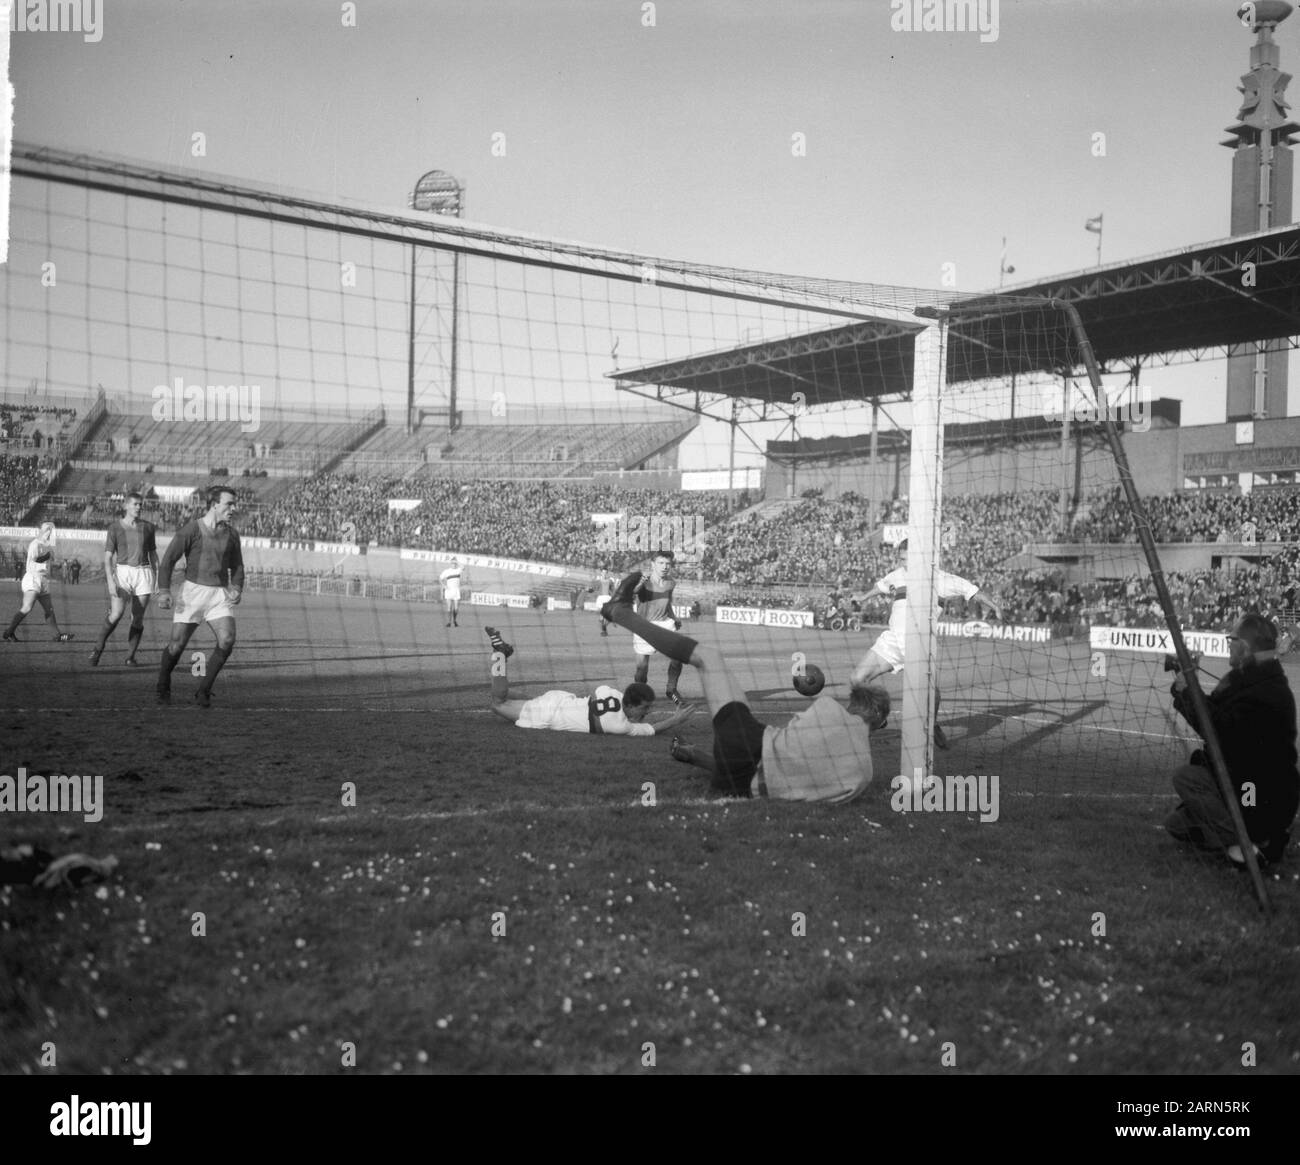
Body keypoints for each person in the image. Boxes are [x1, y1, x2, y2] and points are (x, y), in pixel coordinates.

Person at [602, 578, 889, 804]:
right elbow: (791, 781)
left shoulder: (829, 708)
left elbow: (776, 750)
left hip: (748, 746)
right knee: (760, 762)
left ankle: (619, 612)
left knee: (709, 658)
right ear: (877, 722)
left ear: (855, 704)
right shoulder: (864, 775)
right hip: (746, 787)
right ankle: (697, 756)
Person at [1164, 614, 1298, 868]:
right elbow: (1213, 711)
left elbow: (1215, 728)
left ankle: (1256, 845)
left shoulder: (1264, 689)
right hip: (1248, 782)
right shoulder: (1251, 677)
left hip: (1258, 791)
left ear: (1244, 647)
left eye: (1231, 639)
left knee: (1187, 779)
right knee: (1177, 825)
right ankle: (1248, 836)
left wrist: (1187, 692)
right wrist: (1187, 685)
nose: (1228, 643)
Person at [849, 549, 1002, 749]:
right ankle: (878, 719)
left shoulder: (941, 579)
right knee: (857, 679)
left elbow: (972, 591)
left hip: (919, 644)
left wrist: (995, 606)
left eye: (905, 558)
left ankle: (933, 723)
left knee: (929, 692)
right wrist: (862, 598)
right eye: (900, 558)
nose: (901, 561)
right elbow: (881, 586)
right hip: (893, 641)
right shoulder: (897, 575)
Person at [486, 626, 695, 737]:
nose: (647, 713)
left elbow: (600, 691)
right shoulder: (619, 726)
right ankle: (499, 654)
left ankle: (500, 665)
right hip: (548, 715)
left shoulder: (613, 694)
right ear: (630, 704)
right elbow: (652, 730)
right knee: (497, 703)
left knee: (502, 696)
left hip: (558, 701)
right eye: (645, 707)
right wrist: (676, 720)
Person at [154, 486, 244, 707]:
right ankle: (163, 682)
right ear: (214, 504)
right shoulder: (191, 530)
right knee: (176, 646)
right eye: (229, 504)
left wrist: (237, 588)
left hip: (219, 596)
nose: (233, 508)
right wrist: (164, 590)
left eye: (234, 504)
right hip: (192, 593)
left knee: (227, 639)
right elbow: (167, 561)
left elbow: (238, 566)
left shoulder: (232, 534)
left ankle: (204, 690)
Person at [89, 491, 159, 667]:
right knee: (116, 614)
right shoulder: (114, 528)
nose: (138, 507)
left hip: (143, 573)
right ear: (125, 506)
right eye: (135, 504)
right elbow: (107, 558)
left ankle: (130, 657)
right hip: (122, 573)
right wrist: (111, 582)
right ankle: (97, 649)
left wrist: (157, 579)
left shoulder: (149, 527)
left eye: (140, 504)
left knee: (137, 618)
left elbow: (153, 555)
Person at [620, 550, 685, 704]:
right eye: (661, 563)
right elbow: (634, 592)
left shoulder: (671, 582)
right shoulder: (645, 581)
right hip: (645, 626)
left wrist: (674, 617)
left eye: (668, 564)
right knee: (642, 669)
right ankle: (640, 694)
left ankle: (671, 689)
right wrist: (641, 581)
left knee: (678, 657)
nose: (665, 566)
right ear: (653, 564)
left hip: (666, 624)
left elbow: (667, 602)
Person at [3, 522, 73, 642]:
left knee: (49, 609)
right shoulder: (35, 544)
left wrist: (58, 563)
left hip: (43, 579)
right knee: (27, 607)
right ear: (40, 531)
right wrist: (48, 556)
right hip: (32, 578)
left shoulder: (49, 546)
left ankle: (57, 636)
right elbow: (34, 561)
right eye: (47, 530)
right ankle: (9, 632)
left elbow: (50, 563)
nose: (49, 533)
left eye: (50, 531)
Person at [439, 557, 463, 628]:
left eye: (455, 563)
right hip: (449, 591)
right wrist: (444, 586)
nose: (454, 564)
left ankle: (454, 621)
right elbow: (440, 579)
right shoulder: (446, 571)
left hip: (456, 591)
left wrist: (457, 561)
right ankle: (449, 622)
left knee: (456, 608)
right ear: (450, 564)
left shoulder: (458, 570)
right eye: (453, 563)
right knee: (449, 607)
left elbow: (463, 567)